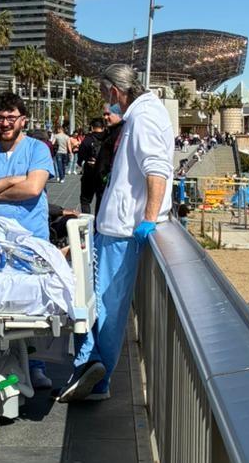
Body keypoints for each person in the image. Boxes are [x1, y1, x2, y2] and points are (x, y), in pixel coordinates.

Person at [59, 64, 173, 403]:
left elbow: (157, 169)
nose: (105, 103)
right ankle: (91, 367)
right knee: (98, 302)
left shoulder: (144, 117)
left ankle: (98, 376)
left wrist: (149, 219)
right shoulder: (141, 115)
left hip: (124, 231)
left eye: (103, 95)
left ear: (113, 91)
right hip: (114, 227)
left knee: (107, 306)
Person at [0, 91, 56, 390]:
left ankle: (35, 365)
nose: (5, 123)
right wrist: (9, 180)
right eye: (0, 117)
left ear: (23, 120)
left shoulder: (37, 149)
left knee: (31, 309)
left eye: (11, 117)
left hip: (31, 240)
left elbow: (33, 189)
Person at [92, 106, 125, 215]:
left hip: (108, 186)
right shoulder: (111, 132)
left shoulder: (120, 133)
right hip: (103, 186)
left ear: (119, 115)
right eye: (104, 114)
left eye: (108, 114)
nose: (105, 117)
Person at [76, 118, 105, 214]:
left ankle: (87, 221)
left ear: (92, 127)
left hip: (89, 173)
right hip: (103, 173)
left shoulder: (87, 139)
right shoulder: (108, 138)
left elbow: (81, 156)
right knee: (101, 199)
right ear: (103, 127)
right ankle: (99, 221)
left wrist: (80, 162)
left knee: (85, 200)